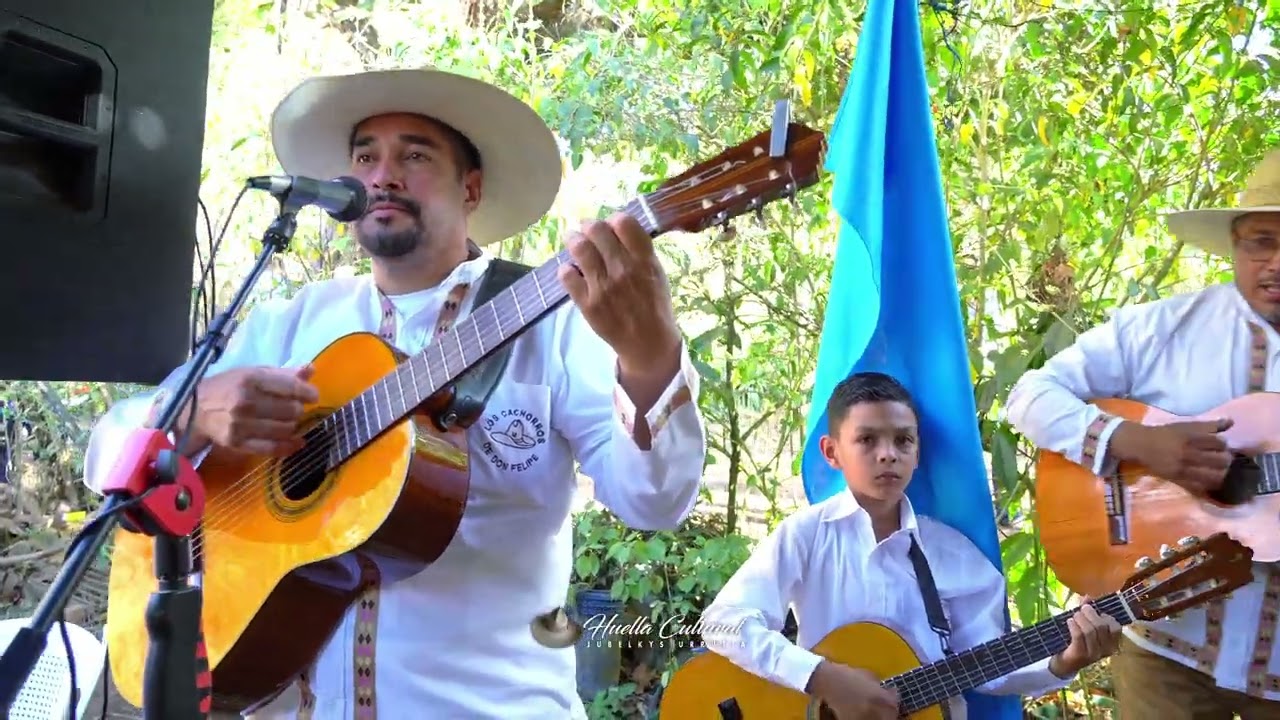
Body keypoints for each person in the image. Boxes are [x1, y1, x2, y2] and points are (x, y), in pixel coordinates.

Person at [81, 67, 708, 719]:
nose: (382, 176)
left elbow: (655, 502)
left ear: (471, 188)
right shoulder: (291, 324)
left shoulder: (555, 321)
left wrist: (649, 359)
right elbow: (108, 455)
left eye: (415, 156)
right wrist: (194, 412)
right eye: (365, 157)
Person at [1005, 149, 1280, 718]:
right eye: (1262, 241)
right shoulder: (1164, 328)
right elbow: (1030, 396)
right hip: (1163, 648)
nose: (1276, 263)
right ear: (1234, 243)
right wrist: (1135, 443)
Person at [700, 371, 1122, 720]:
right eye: (867, 440)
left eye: (903, 440)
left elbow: (988, 666)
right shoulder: (805, 535)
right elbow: (723, 622)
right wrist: (823, 677)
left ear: (918, 453)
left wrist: (1065, 660)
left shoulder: (954, 556)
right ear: (831, 452)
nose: (888, 454)